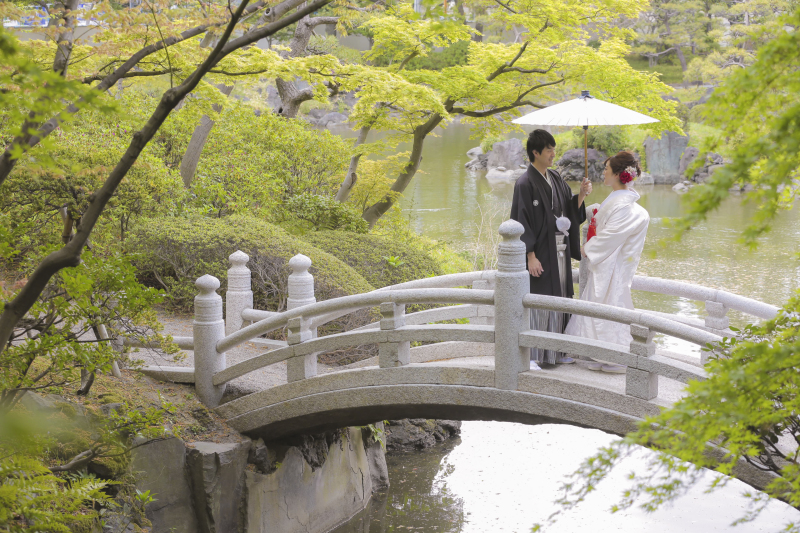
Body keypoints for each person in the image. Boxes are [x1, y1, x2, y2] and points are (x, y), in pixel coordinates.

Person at [510, 129, 591, 367]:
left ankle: (558, 352)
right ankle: (536, 355)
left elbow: (568, 208)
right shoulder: (524, 183)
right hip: (541, 252)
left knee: (562, 296)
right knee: (542, 299)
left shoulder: (555, 177)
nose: (553, 154)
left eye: (554, 149)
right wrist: (530, 256)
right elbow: (521, 221)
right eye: (549, 150)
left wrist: (581, 195)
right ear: (535, 153)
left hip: (560, 250)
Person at [564, 150, 650, 373]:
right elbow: (607, 224)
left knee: (613, 304)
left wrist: (587, 248)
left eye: (606, 169)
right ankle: (601, 353)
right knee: (598, 305)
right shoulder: (619, 200)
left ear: (618, 174)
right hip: (606, 262)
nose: (603, 173)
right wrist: (594, 209)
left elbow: (611, 235)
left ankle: (619, 357)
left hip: (615, 264)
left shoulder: (626, 206)